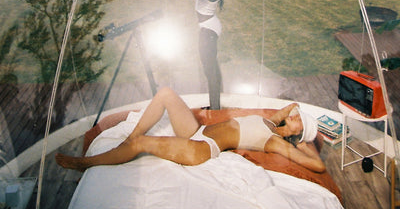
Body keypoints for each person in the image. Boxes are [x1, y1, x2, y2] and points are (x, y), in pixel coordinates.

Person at [56, 86, 325, 173]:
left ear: (297, 133)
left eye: (299, 119)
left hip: (203, 149)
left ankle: (85, 163)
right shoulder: (272, 122)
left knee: (142, 146)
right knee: (165, 94)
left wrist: (303, 143)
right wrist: (299, 119)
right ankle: (130, 135)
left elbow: (318, 167)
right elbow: (292, 104)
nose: (295, 114)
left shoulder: (275, 142)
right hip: (196, 132)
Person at [180, 0, 226, 110]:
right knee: (211, 68)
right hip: (207, 27)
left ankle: (215, 110)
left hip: (209, 29)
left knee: (210, 71)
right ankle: (216, 106)